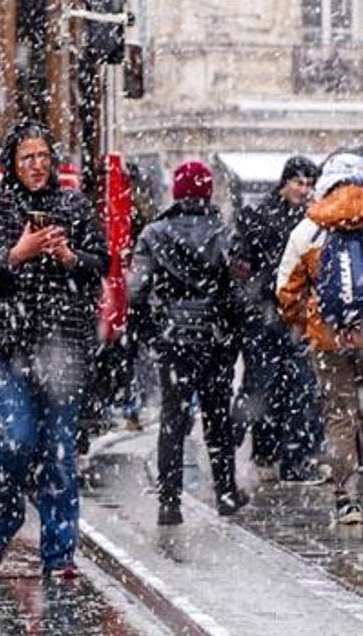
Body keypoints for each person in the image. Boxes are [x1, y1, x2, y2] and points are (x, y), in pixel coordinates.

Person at [0, 120, 109, 578]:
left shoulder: (75, 205)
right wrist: (17, 253)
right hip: (6, 346)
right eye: (27, 157)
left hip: (63, 346)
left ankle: (59, 556)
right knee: (17, 440)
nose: (37, 165)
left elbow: (99, 264)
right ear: (12, 163)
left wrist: (70, 259)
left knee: (61, 452)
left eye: (44, 156)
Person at [128, 159, 247, 526]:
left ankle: (169, 501)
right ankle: (225, 493)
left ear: (177, 192)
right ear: (208, 191)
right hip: (213, 339)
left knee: (173, 421)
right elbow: (238, 293)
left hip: (174, 341)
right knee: (217, 419)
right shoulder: (225, 234)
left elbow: (135, 291)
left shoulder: (154, 233)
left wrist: (152, 333)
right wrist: (229, 335)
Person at [276, 151, 363, 526]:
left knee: (340, 415)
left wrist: (308, 324)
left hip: (328, 338)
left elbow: (286, 290)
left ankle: (348, 498)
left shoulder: (309, 227)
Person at [230, 155, 322, 482]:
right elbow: (241, 267)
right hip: (264, 317)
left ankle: (294, 461)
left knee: (299, 388)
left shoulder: (313, 220)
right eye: (299, 182)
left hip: (296, 318)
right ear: (284, 183)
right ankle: (265, 452)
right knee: (264, 386)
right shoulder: (257, 217)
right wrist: (258, 296)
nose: (304, 189)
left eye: (309, 184)